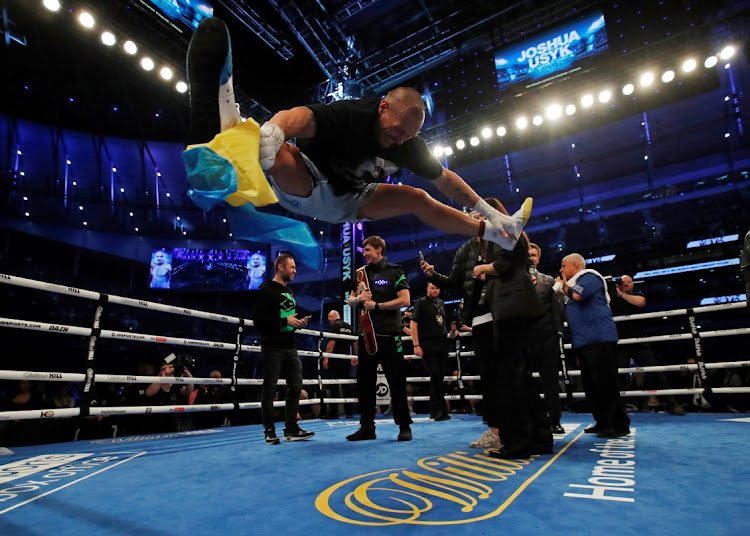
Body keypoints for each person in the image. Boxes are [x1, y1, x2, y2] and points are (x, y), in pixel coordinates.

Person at [186, 17, 533, 253]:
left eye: (407, 137)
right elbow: (301, 116)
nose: (399, 140)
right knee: (276, 153)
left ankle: (497, 236)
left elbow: (446, 179)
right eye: (397, 131)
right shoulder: (352, 114)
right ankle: (230, 125)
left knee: (417, 197)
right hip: (310, 183)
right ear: (383, 108)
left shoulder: (408, 143)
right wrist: (276, 130)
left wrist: (490, 212)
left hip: (353, 200)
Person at [421, 199, 505, 449]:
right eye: (471, 215)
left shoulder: (504, 240)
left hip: (504, 314)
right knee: (489, 377)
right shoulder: (465, 249)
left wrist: (488, 269)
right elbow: (455, 281)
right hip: (479, 319)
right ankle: (495, 430)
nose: (474, 219)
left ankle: (519, 425)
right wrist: (433, 275)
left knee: (510, 374)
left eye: (478, 215)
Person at [473, 230, 552, 459]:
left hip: (511, 309)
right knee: (522, 378)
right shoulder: (509, 234)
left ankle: (519, 443)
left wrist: (482, 268)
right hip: (515, 308)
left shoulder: (502, 232)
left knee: (512, 379)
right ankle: (540, 437)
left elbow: (503, 265)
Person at [555, 253, 631, 438]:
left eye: (563, 266)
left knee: (606, 383)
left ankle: (618, 424)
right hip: (584, 341)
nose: (561, 270)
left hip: (599, 338)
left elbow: (578, 295)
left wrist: (563, 285)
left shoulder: (590, 276)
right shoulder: (572, 285)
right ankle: (603, 421)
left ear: (575, 266)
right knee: (592, 385)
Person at [346, 236, 413, 441]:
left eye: (367, 250)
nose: (364, 253)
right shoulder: (360, 274)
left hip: (390, 336)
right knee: (365, 384)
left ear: (379, 250)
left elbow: (405, 300)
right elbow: (349, 299)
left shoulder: (395, 271)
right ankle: (367, 427)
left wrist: (377, 306)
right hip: (366, 337)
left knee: (396, 382)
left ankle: (404, 426)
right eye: (364, 250)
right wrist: (358, 299)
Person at [253, 253, 315, 444]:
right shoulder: (265, 290)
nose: (295, 270)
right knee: (270, 389)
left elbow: (287, 320)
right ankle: (269, 431)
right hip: (272, 346)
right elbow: (259, 321)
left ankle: (291, 429)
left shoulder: (290, 292)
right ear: (281, 267)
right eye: (292, 267)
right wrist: (284, 321)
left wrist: (297, 323)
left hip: (290, 344)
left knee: (295, 387)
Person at [609, 275, 685, 415]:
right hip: (620, 342)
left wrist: (622, 294)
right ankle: (616, 409)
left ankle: (671, 404)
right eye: (622, 282)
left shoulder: (637, 294)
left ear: (633, 284)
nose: (625, 284)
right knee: (617, 376)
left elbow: (641, 303)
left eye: (628, 282)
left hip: (639, 341)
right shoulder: (612, 298)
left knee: (655, 371)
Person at [528, 242, 566, 433]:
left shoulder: (549, 281)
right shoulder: (512, 280)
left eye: (534, 255)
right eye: (527, 254)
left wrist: (557, 332)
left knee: (550, 380)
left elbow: (555, 310)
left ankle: (555, 420)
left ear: (539, 258)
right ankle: (528, 419)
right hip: (523, 338)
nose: (530, 257)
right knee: (523, 380)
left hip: (546, 337)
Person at [410, 283, 451, 421]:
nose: (435, 290)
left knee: (440, 376)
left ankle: (439, 411)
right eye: (432, 288)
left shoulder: (441, 303)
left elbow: (441, 323)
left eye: (437, 288)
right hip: (427, 343)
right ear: (427, 289)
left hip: (442, 343)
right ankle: (437, 410)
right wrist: (416, 345)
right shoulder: (421, 303)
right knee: (435, 374)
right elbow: (413, 324)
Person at [322, 310, 357, 419]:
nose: (329, 321)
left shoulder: (334, 326)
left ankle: (333, 413)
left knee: (334, 386)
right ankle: (349, 412)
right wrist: (355, 356)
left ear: (332, 317)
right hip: (346, 359)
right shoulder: (349, 327)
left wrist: (326, 357)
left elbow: (332, 342)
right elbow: (355, 342)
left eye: (329, 318)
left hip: (335, 359)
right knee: (347, 385)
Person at [144, 358, 196, 433]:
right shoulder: (154, 384)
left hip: (171, 420)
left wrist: (189, 377)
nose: (168, 370)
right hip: (155, 421)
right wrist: (164, 376)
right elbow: (149, 393)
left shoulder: (175, 386)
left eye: (170, 368)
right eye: (163, 369)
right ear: (158, 374)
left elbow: (188, 391)